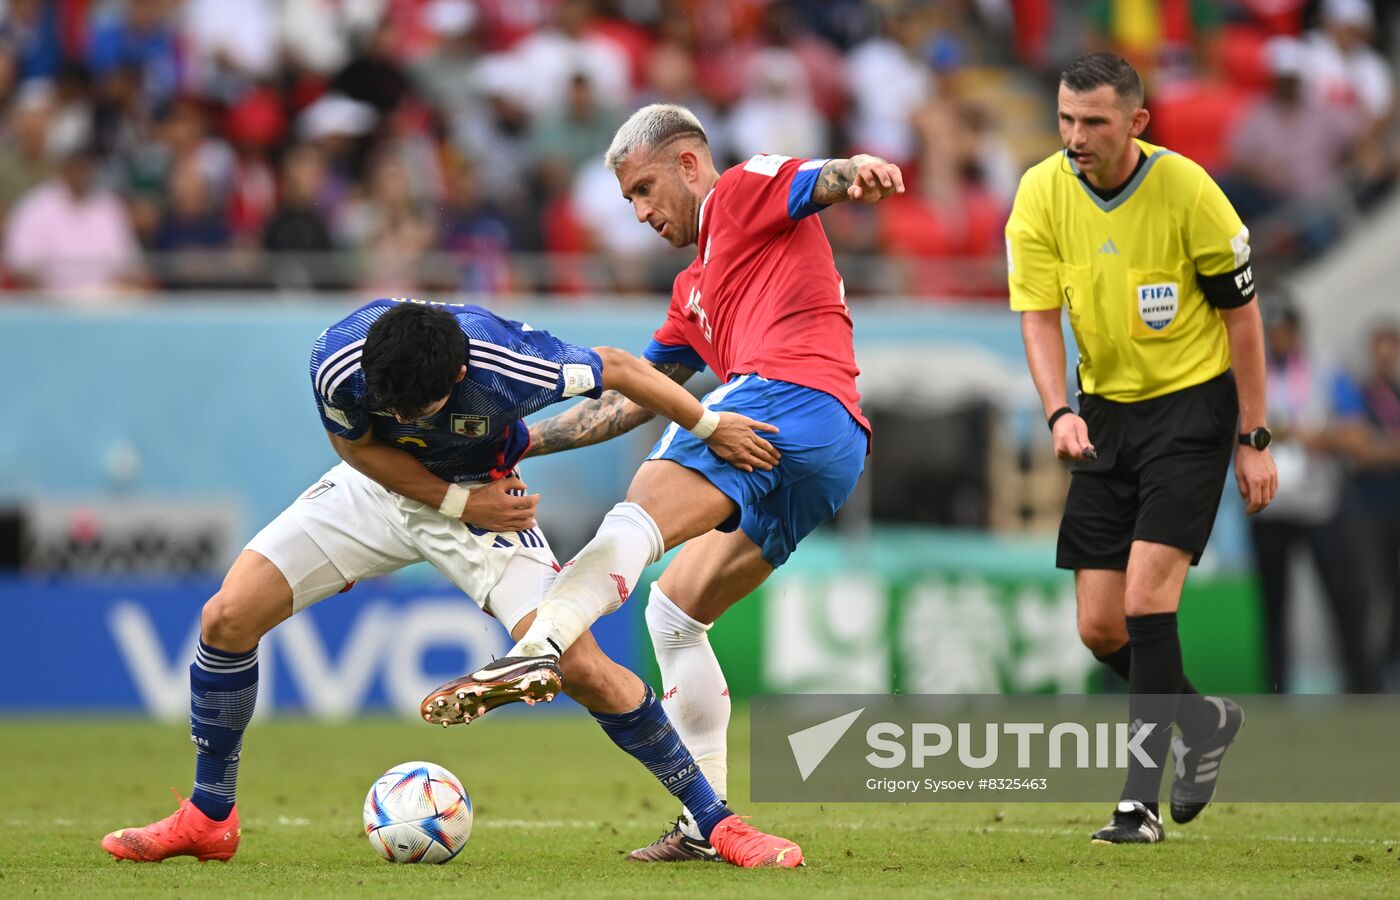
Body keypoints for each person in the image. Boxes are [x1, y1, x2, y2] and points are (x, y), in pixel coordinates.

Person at [99, 298, 799, 869]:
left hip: (484, 502)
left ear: (459, 372)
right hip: (379, 494)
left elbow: (620, 368)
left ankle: (718, 824)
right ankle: (208, 816)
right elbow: (356, 445)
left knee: (579, 665)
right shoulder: (338, 361)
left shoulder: (509, 362)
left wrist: (708, 423)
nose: (404, 417)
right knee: (225, 618)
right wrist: (457, 503)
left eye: (421, 408)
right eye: (392, 405)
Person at [421, 103, 903, 863]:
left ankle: (541, 642)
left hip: (784, 399)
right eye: (628, 201)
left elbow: (816, 179)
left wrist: (859, 174)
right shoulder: (692, 292)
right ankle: (705, 824)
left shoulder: (742, 190)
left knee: (633, 518)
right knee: (675, 611)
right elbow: (625, 399)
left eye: (644, 190)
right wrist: (510, 444)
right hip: (832, 449)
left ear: (686, 164)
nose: (641, 213)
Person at [1005, 54, 1277, 844]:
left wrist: (1253, 437)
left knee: (1148, 601)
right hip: (1105, 414)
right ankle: (1204, 721)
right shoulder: (1041, 191)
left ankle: (1137, 805)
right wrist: (1058, 410)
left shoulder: (1190, 191)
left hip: (1193, 410)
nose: (1075, 136)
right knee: (1099, 627)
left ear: (1136, 123)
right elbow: (1036, 315)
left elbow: (1243, 321)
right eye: (1065, 118)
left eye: (1093, 121)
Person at [1250, 306, 1377, 692]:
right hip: (1269, 506)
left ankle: (1363, 689)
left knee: (1345, 599)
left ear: (1296, 330)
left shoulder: (1325, 370)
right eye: (1270, 331)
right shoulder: (1252, 371)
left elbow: (1358, 435)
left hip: (1321, 504)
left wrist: (1310, 436)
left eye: (1282, 330)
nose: (1277, 338)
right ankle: (1277, 692)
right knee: (1273, 607)